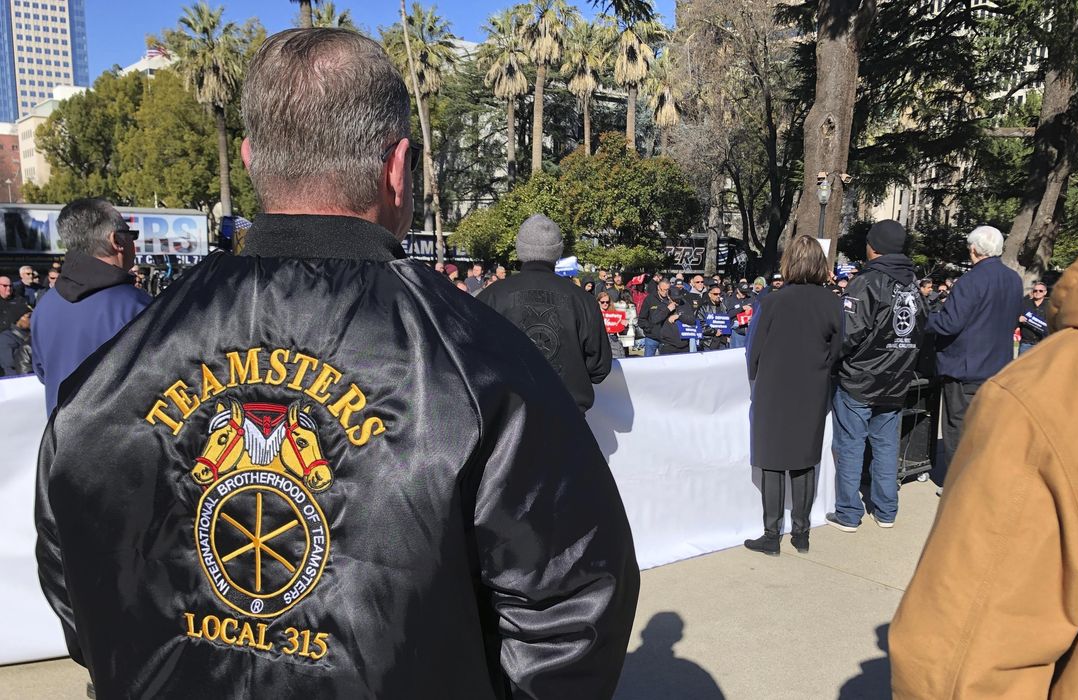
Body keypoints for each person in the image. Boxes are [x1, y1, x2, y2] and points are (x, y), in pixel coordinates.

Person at [35, 29, 637, 699]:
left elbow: (77, 590)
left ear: (250, 158)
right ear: (398, 167)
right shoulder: (487, 368)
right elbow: (572, 612)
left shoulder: (108, 374)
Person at [890, 95, 1078, 700]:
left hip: (972, 374)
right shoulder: (1012, 284)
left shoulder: (1065, 397)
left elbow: (961, 667)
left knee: (958, 441)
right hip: (996, 364)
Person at [744, 236, 842, 555]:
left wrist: (756, 373)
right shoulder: (832, 302)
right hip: (812, 388)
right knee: (805, 460)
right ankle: (801, 534)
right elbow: (837, 350)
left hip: (774, 388)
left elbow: (753, 351)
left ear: (789, 263)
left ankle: (771, 535)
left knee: (771, 461)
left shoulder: (772, 302)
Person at [826, 220, 926, 532]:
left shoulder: (867, 282)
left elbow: (848, 333)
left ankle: (848, 513)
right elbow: (920, 329)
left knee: (851, 445)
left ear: (874, 247)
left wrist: (831, 359)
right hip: (896, 380)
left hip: (860, 379)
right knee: (885, 447)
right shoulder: (913, 285)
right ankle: (886, 511)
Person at [479, 214, 613, 412]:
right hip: (567, 415)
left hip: (507, 417)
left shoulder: (492, 296)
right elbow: (599, 368)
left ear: (519, 249)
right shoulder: (583, 301)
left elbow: (472, 358)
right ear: (557, 252)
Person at [29, 198, 152, 416]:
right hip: (122, 434)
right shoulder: (137, 307)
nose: (133, 243)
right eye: (131, 235)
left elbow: (43, 373)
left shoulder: (44, 307)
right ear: (116, 240)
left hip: (61, 434)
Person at [925, 225, 1023, 477]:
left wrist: (924, 319)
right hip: (997, 366)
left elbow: (949, 323)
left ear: (973, 249)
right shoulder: (1013, 279)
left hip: (964, 368)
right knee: (986, 428)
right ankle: (981, 477)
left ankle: (960, 483)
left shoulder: (971, 280)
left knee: (958, 428)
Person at [638, 280, 670, 357]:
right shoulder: (649, 299)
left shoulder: (671, 299)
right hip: (652, 338)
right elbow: (642, 319)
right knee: (648, 361)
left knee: (666, 362)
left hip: (666, 339)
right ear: (658, 287)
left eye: (667, 290)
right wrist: (649, 329)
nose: (665, 292)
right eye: (663, 289)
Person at [1017, 281, 1049, 355]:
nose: (1037, 292)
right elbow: (1013, 318)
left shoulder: (1050, 306)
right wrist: (1018, 319)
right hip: (1026, 344)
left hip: (1043, 344)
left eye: (1040, 291)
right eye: (1035, 290)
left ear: (1045, 292)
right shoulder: (1024, 303)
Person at [0, 306, 32, 375]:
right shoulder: (5, 337)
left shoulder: (34, 334)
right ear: (19, 319)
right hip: (16, 378)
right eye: (29, 316)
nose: (32, 319)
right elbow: (9, 361)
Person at [598, 290, 625, 358]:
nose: (605, 304)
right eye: (602, 302)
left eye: (607, 302)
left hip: (613, 340)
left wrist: (624, 325)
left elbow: (621, 332)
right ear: (598, 302)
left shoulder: (614, 313)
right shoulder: (595, 314)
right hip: (600, 341)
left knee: (619, 358)